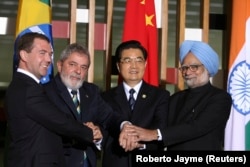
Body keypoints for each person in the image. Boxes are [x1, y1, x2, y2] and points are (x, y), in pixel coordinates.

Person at [4, 32, 101, 167]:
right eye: (42, 53)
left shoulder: (25, 86)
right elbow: (58, 121)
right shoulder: (27, 88)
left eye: (50, 54)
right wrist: (89, 132)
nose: (48, 59)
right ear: (24, 55)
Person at [120, 40, 232, 150]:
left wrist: (154, 134)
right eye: (184, 68)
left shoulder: (220, 98)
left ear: (207, 68)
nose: (187, 72)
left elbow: (198, 127)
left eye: (194, 67)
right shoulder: (175, 99)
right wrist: (140, 143)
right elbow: (163, 130)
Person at [43, 43, 126, 167]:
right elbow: (48, 133)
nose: (78, 71)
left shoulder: (91, 91)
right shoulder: (45, 93)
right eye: (72, 65)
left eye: (83, 67)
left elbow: (109, 117)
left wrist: (124, 126)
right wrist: (86, 133)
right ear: (60, 66)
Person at [101, 40, 170, 167]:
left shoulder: (160, 96)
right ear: (118, 66)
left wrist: (140, 143)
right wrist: (124, 141)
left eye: (139, 60)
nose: (134, 66)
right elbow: (103, 135)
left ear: (145, 64)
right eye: (127, 60)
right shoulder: (105, 97)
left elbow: (162, 131)